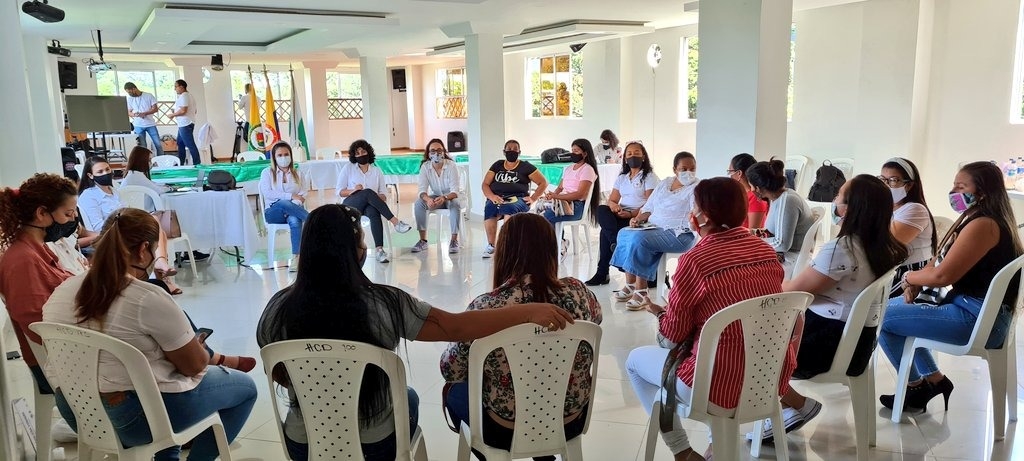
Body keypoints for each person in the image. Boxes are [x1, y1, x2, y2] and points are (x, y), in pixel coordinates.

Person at [256, 204, 574, 461]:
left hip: (303, 443)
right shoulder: (387, 303)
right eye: (362, 243)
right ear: (354, 252)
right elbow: (456, 325)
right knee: (406, 396)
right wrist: (529, 311)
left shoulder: (278, 308)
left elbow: (278, 369)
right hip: (377, 446)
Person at [42, 208, 258, 461]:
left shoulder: (61, 293)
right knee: (245, 388)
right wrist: (195, 350)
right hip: (133, 420)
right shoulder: (145, 297)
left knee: (155, 382)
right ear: (144, 248)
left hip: (77, 412)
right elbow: (194, 366)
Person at [628, 177, 791, 461]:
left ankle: (682, 451)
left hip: (715, 386)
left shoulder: (696, 260)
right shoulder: (766, 251)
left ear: (701, 217)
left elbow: (671, 338)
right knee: (725, 346)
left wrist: (662, 314)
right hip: (769, 378)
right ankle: (718, 446)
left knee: (635, 362)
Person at [746, 175, 909, 443]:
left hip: (828, 345)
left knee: (747, 345)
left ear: (852, 207)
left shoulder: (843, 248)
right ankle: (792, 407)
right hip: (859, 342)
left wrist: (760, 285)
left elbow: (795, 292)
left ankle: (795, 405)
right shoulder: (884, 246)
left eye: (839, 195)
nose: (834, 200)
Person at [440, 213, 602, 461]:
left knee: (453, 391)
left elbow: (451, 368)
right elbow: (596, 320)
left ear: (504, 251)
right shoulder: (580, 292)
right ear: (550, 248)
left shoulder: (486, 307)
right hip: (570, 419)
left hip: (504, 428)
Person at [878, 161, 1023, 413]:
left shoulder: (984, 224)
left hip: (977, 318)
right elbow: (937, 263)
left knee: (880, 316)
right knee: (889, 308)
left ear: (983, 191)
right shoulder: (973, 217)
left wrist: (910, 279)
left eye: (960, 186)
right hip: (974, 310)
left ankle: (917, 386)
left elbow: (943, 276)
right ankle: (933, 381)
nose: (953, 191)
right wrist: (915, 282)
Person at [0, 174, 78, 395]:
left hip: (68, 349)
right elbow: (37, 327)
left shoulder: (37, 248)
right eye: (68, 213)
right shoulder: (22, 260)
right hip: (55, 363)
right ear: (41, 213)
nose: (72, 220)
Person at [81, 155, 192, 294]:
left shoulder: (114, 190)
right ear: (90, 175)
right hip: (110, 234)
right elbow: (98, 227)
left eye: (107, 169)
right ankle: (162, 270)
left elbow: (126, 210)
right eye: (100, 172)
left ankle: (161, 271)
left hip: (124, 228)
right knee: (155, 225)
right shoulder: (88, 196)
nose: (105, 174)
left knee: (155, 226)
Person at [610, 152, 699, 311]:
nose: (688, 173)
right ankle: (630, 285)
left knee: (640, 239)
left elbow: (696, 215)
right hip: (654, 228)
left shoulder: (696, 188)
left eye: (692, 169)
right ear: (674, 169)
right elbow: (649, 207)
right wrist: (637, 219)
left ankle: (642, 291)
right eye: (683, 169)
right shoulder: (665, 183)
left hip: (680, 234)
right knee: (625, 232)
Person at [586, 141, 658, 286]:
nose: (633, 156)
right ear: (625, 158)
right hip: (621, 214)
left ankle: (602, 273)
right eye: (629, 154)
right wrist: (615, 208)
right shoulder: (622, 178)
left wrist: (632, 214)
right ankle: (616, 242)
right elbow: (612, 200)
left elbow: (651, 203)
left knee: (604, 233)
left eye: (637, 153)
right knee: (602, 209)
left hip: (639, 218)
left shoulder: (649, 176)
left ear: (643, 156)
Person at [336, 139, 412, 263]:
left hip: (368, 206)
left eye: (363, 151)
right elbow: (339, 191)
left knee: (373, 211)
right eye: (358, 153)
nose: (361, 155)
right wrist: (353, 190)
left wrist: (375, 197)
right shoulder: (348, 168)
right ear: (354, 156)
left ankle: (379, 250)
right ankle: (396, 222)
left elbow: (383, 195)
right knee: (367, 192)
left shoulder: (376, 171)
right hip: (350, 205)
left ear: (368, 152)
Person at [746, 158, 815, 276]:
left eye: (751, 186)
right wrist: (750, 233)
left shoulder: (787, 201)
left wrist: (752, 242)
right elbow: (773, 232)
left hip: (790, 258)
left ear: (758, 188)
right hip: (788, 255)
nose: (751, 190)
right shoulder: (779, 198)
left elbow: (782, 244)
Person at [880, 157, 936, 297]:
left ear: (909, 185)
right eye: (883, 179)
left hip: (911, 273)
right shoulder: (886, 208)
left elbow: (886, 245)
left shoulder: (915, 209)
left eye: (893, 180)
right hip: (893, 269)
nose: (886, 185)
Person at [481, 139, 548, 257]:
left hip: (518, 198)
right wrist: (492, 197)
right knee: (490, 208)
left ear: (519, 152)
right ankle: (491, 245)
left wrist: (533, 198)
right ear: (504, 151)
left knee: (509, 209)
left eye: (515, 149)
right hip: (498, 197)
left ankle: (508, 246)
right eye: (509, 149)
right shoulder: (497, 165)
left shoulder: (526, 167)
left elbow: (543, 183)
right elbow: (485, 184)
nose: (512, 151)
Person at [260, 141, 308, 271]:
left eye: (286, 154)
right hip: (273, 212)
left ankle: (296, 258)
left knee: (295, 220)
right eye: (279, 155)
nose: (283, 157)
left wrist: (292, 204)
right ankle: (312, 219)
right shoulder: (267, 173)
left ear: (291, 156)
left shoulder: (298, 173)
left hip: (294, 210)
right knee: (283, 203)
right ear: (274, 158)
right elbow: (268, 194)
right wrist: (290, 197)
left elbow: (303, 194)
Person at [412, 138, 462, 254]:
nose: (436, 153)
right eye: (433, 151)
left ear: (444, 152)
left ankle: (454, 240)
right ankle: (423, 240)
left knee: (455, 204)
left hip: (451, 197)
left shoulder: (451, 165)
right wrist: (428, 199)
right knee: (419, 204)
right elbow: (422, 190)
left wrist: (444, 198)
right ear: (428, 154)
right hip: (436, 196)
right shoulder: (425, 167)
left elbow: (455, 191)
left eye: (439, 150)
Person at [541, 138, 600, 230]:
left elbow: (580, 194)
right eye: (572, 150)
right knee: (539, 211)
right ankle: (559, 241)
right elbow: (560, 188)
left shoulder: (587, 169)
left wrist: (556, 197)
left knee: (545, 216)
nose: (573, 153)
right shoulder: (568, 168)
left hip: (575, 207)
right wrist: (551, 196)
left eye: (576, 151)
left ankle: (553, 242)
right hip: (563, 202)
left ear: (585, 154)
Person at [121, 146, 171, 212]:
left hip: (136, 210)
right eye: (149, 160)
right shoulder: (137, 176)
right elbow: (159, 190)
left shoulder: (133, 174)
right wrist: (170, 188)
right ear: (142, 161)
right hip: (143, 212)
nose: (151, 163)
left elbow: (152, 185)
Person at [727, 153, 768, 228]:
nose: (730, 176)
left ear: (739, 173)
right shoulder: (741, 195)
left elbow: (754, 232)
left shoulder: (754, 198)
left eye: (730, 171)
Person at [124, 82, 163, 156]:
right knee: (142, 147)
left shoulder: (148, 95)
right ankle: (145, 163)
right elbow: (129, 112)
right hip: (138, 125)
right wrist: (135, 114)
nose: (129, 94)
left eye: (130, 92)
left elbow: (155, 109)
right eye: (127, 92)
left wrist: (145, 113)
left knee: (158, 144)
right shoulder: (130, 99)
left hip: (150, 124)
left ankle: (161, 162)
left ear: (134, 88)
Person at [170, 79, 201, 165]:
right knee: (180, 143)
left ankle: (197, 164)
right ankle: (181, 162)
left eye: (176, 86)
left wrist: (173, 115)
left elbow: (183, 110)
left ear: (181, 87)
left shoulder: (184, 96)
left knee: (190, 145)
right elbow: (194, 111)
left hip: (185, 124)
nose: (175, 89)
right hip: (185, 123)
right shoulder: (190, 96)